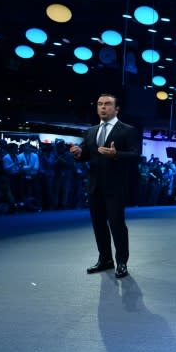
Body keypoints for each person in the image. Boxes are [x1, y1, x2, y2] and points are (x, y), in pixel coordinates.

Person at [70, 93, 139, 278]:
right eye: (100, 104)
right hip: (94, 186)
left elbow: (134, 155)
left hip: (116, 187)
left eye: (107, 104)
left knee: (117, 225)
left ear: (116, 109)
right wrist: (78, 154)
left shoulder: (127, 130)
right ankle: (105, 259)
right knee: (98, 225)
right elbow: (86, 155)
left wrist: (116, 154)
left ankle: (122, 262)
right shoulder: (91, 131)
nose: (103, 107)